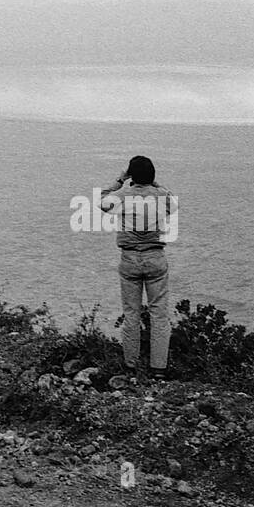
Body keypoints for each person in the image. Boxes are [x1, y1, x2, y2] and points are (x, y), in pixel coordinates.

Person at [99, 155, 176, 381]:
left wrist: (120, 180)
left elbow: (102, 201)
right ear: (152, 175)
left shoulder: (122, 195)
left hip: (130, 258)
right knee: (159, 315)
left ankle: (131, 367)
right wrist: (155, 185)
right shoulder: (161, 196)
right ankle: (158, 370)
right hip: (155, 257)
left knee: (131, 313)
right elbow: (172, 201)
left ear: (131, 175)